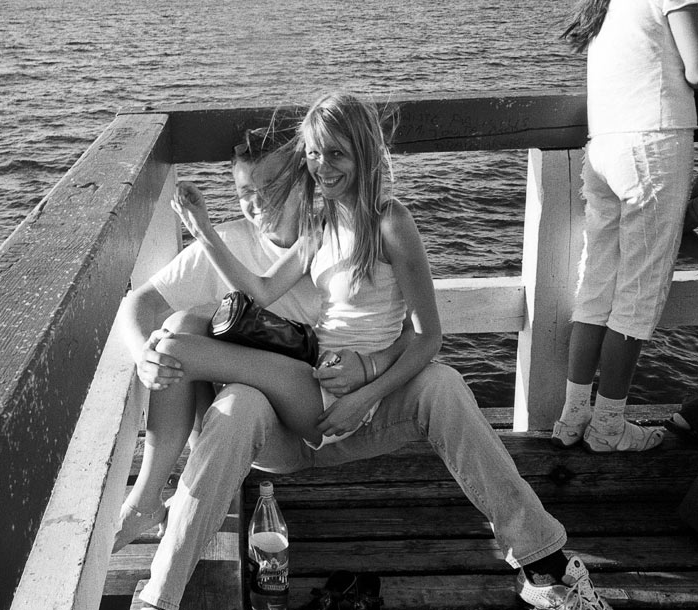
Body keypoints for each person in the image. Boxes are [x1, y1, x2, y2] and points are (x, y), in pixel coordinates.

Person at [122, 92, 612, 610]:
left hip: (343, 403)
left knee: (443, 383)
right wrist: (202, 231)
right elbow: (261, 290)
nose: (323, 166)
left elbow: (428, 336)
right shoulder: (319, 225)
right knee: (193, 359)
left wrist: (367, 387)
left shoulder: (391, 223)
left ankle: (544, 560)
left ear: (366, 153)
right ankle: (158, 593)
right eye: (315, 154)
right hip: (308, 393)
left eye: (336, 153)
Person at [551, 0, 698, 453]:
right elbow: (696, 68)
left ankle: (573, 416)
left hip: (605, 146)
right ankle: (608, 424)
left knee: (597, 285)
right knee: (639, 292)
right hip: (654, 141)